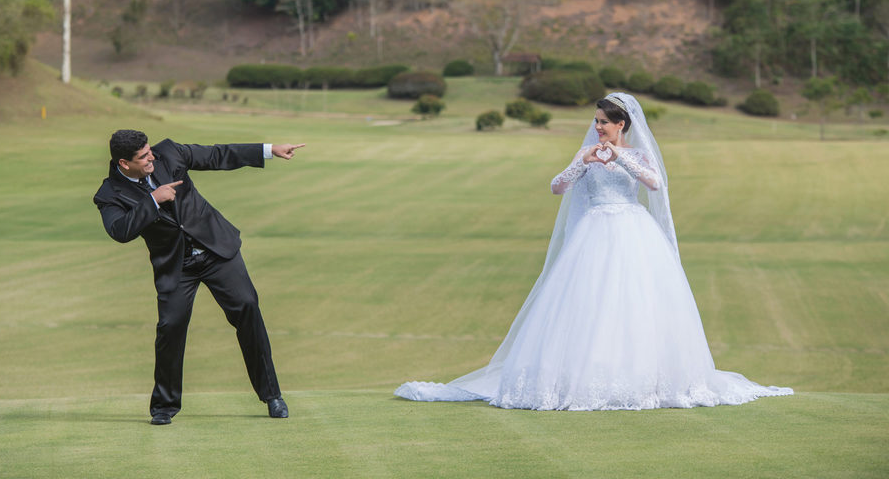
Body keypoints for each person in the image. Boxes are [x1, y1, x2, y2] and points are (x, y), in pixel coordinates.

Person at [396, 93, 792, 410]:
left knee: (634, 304)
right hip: (593, 233)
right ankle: (581, 376)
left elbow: (655, 184)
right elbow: (556, 187)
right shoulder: (585, 153)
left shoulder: (636, 154)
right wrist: (581, 164)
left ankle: (642, 377)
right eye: (596, 121)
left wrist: (621, 156)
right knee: (588, 304)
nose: (597, 127)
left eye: (604, 122)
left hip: (632, 231)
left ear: (621, 125)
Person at [93, 129, 305, 424]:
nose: (151, 156)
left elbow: (217, 154)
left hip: (217, 250)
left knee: (247, 307)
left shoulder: (169, 152)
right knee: (170, 328)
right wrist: (152, 200)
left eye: (149, 150)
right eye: (143, 156)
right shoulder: (109, 195)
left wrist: (269, 150)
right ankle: (164, 408)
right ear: (124, 164)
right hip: (176, 267)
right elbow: (120, 231)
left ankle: (272, 396)